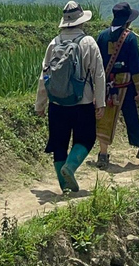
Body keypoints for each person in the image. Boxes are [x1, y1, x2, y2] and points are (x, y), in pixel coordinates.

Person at [35, 2, 106, 193]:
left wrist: (40, 104)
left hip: (57, 103)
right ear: (81, 22)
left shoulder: (54, 43)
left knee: (59, 143)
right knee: (87, 137)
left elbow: (44, 76)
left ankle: (64, 186)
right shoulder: (88, 42)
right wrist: (100, 102)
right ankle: (70, 167)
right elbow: (99, 74)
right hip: (82, 102)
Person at [94, 3, 139, 170]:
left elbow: (98, 64)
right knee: (133, 115)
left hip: (106, 85)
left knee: (105, 118)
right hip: (127, 85)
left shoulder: (102, 36)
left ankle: (103, 154)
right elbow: (135, 67)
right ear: (128, 21)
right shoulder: (130, 38)